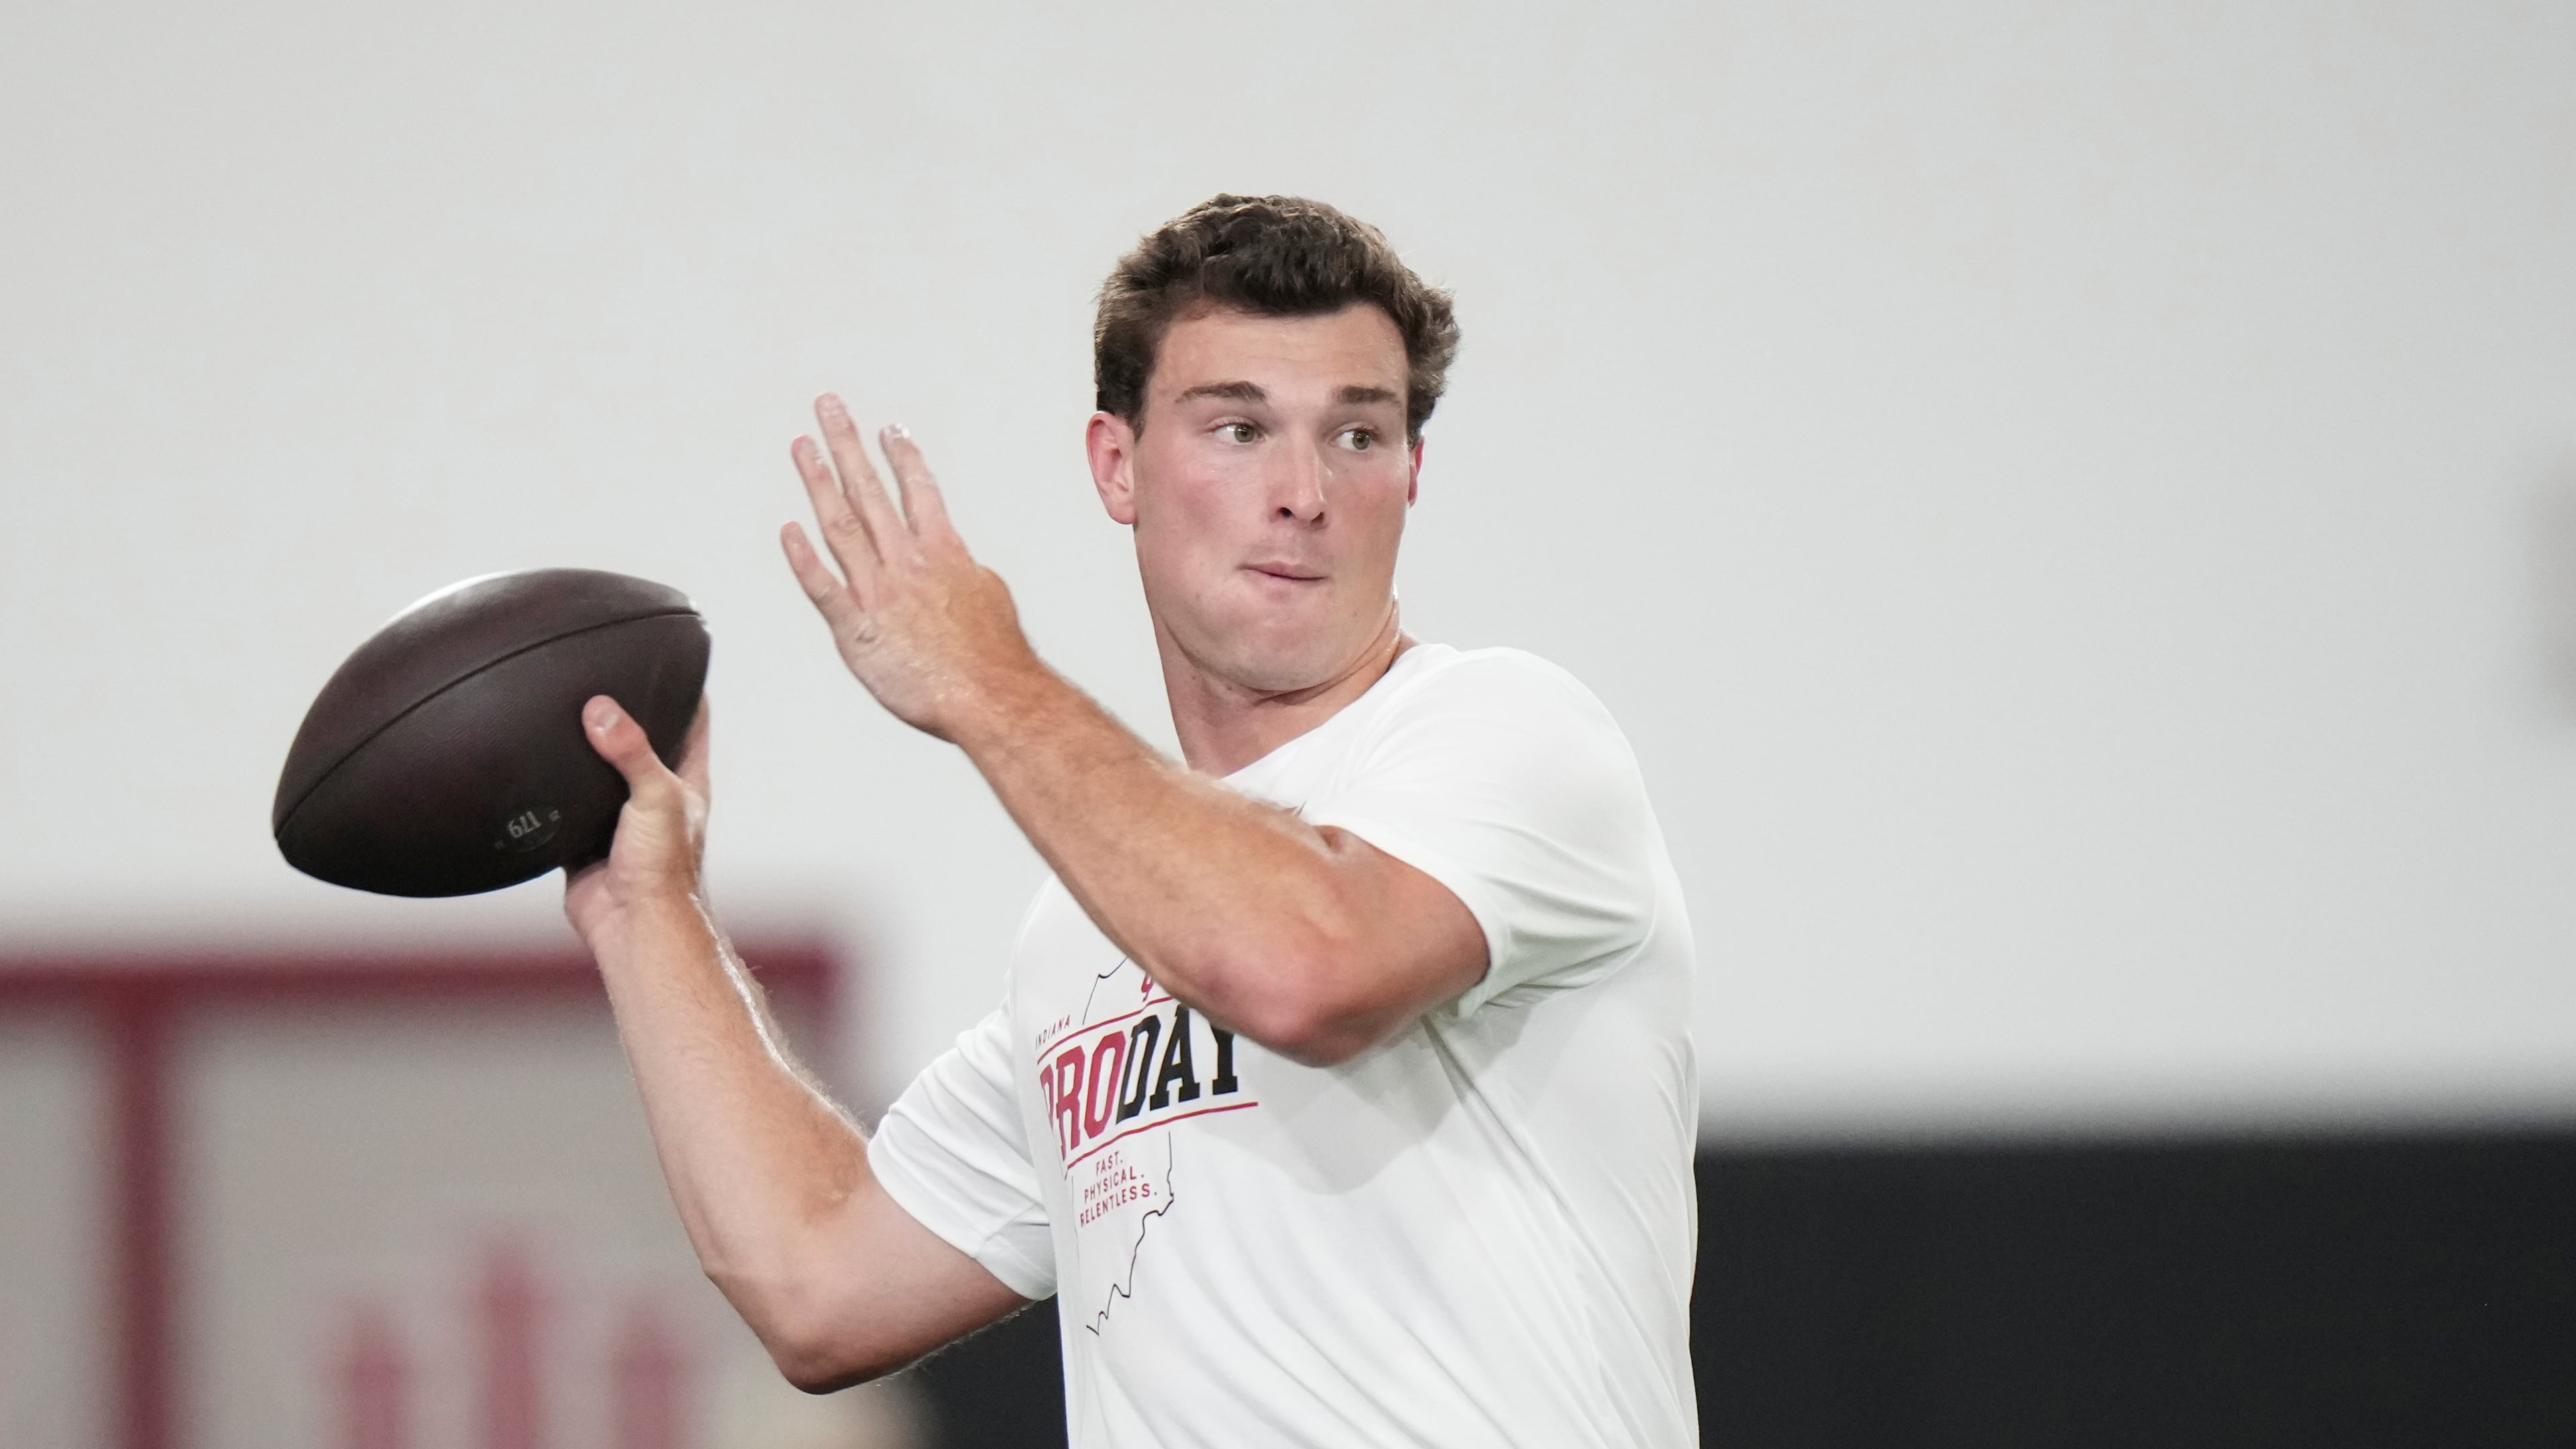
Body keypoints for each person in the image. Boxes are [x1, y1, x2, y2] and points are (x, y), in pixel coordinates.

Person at [566, 194, 1699, 1446]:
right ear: (1118, 464)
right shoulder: (1085, 937)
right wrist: (645, 910)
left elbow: (1307, 968)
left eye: (1359, 436)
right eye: (1238, 428)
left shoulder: (1514, 736)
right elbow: (817, 1284)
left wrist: (987, 681)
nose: (1304, 492)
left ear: (1413, 473)